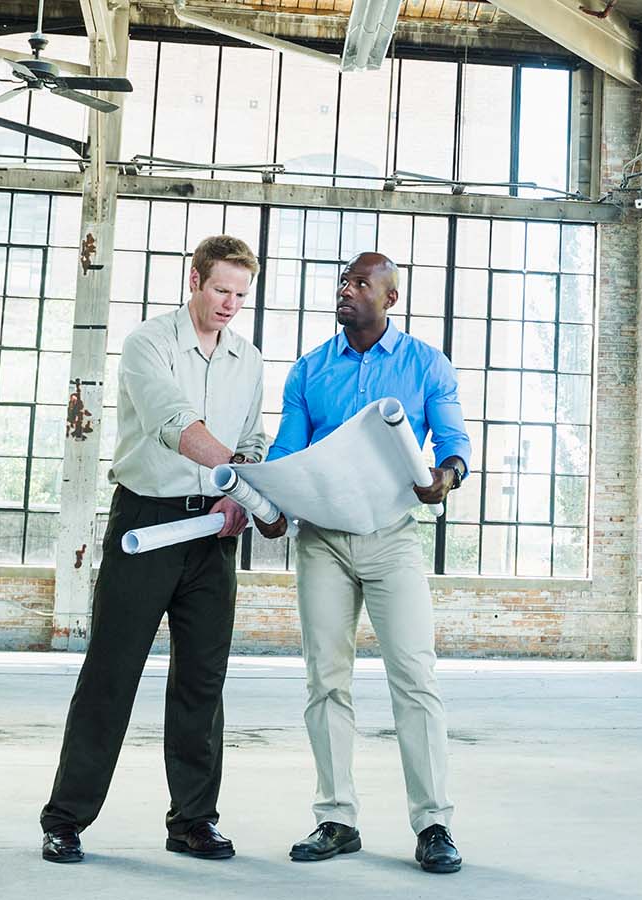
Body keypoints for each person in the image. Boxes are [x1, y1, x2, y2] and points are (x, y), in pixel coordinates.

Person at [39, 235, 268, 864]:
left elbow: (251, 436)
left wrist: (239, 493)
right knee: (112, 674)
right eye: (221, 289)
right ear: (193, 279)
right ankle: (65, 818)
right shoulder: (148, 344)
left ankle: (193, 820)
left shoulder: (247, 360)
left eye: (241, 294)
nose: (229, 304)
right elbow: (178, 428)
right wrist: (243, 482)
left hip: (214, 533)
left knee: (202, 681)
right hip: (148, 524)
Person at [267, 251, 470, 874]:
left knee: (414, 676)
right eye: (343, 281)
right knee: (326, 680)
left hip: (392, 536)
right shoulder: (309, 371)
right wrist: (268, 495)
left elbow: (454, 443)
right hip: (322, 540)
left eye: (361, 283)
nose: (346, 290)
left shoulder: (425, 364)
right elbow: (286, 450)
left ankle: (433, 823)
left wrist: (446, 476)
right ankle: (336, 819)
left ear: (390, 298)